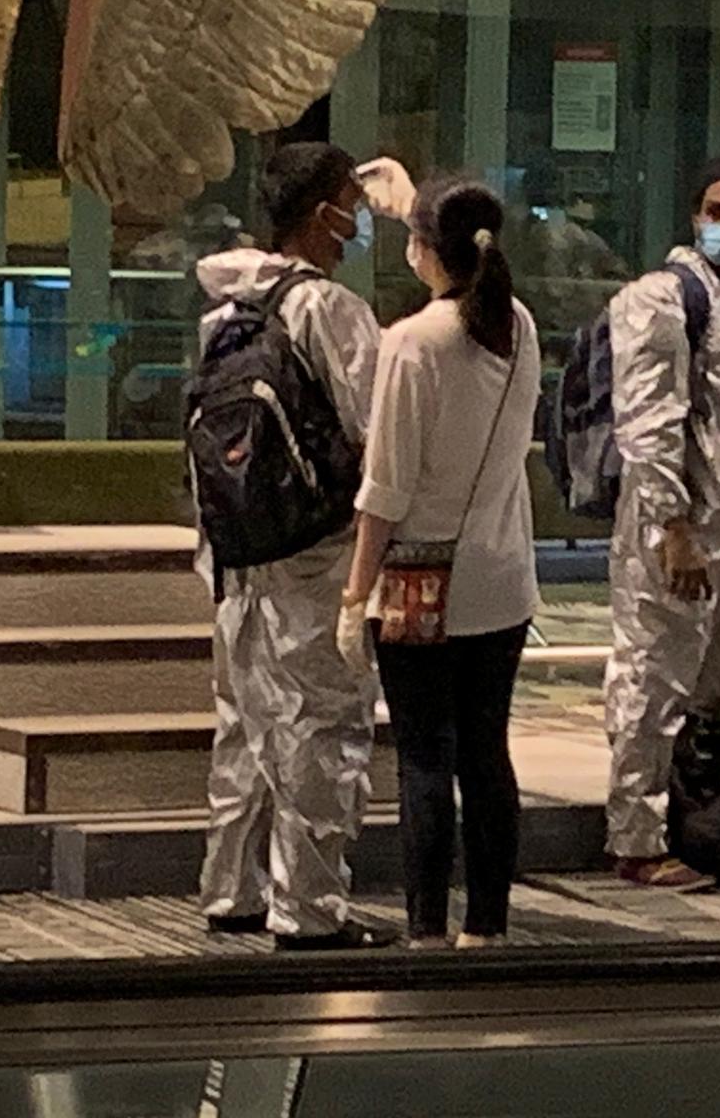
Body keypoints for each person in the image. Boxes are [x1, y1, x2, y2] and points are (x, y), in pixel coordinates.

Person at [195, 142, 391, 951]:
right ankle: (309, 910)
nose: (361, 220)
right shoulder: (330, 309)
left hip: (236, 546)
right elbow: (378, 429)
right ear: (323, 214)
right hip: (314, 548)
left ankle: (230, 889)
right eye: (354, 204)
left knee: (243, 720)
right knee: (320, 723)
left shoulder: (225, 311)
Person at [337, 177, 541, 949]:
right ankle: (488, 926)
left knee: (425, 759)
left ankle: (425, 929)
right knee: (487, 755)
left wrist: (355, 595)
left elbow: (385, 488)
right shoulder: (517, 325)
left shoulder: (412, 342)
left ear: (423, 250)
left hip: (421, 588)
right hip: (503, 581)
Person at [602, 154, 720, 890]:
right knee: (651, 680)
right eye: (717, 211)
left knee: (719, 689)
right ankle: (635, 839)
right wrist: (671, 526)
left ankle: (702, 826)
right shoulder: (662, 298)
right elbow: (649, 422)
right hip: (676, 527)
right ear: (694, 215)